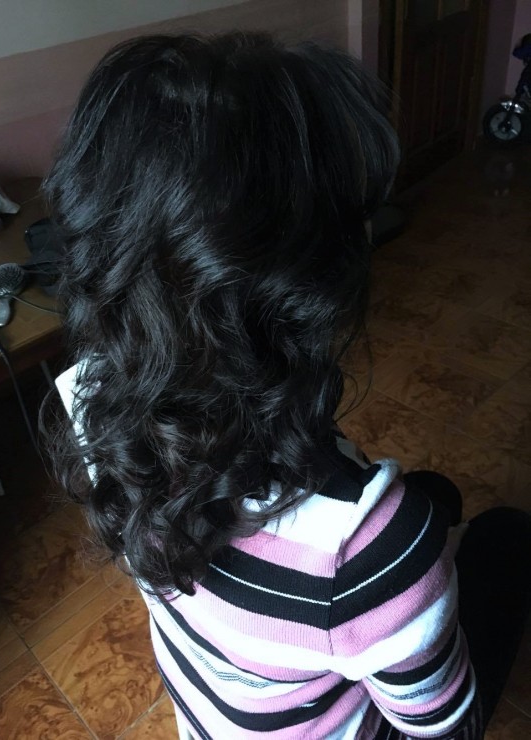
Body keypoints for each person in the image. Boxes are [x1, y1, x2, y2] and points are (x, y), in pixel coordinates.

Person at [44, 32, 531, 739]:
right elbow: (442, 731)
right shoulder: (367, 545)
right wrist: (402, 566)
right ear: (314, 288)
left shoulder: (92, 396)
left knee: (438, 500)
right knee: (505, 534)